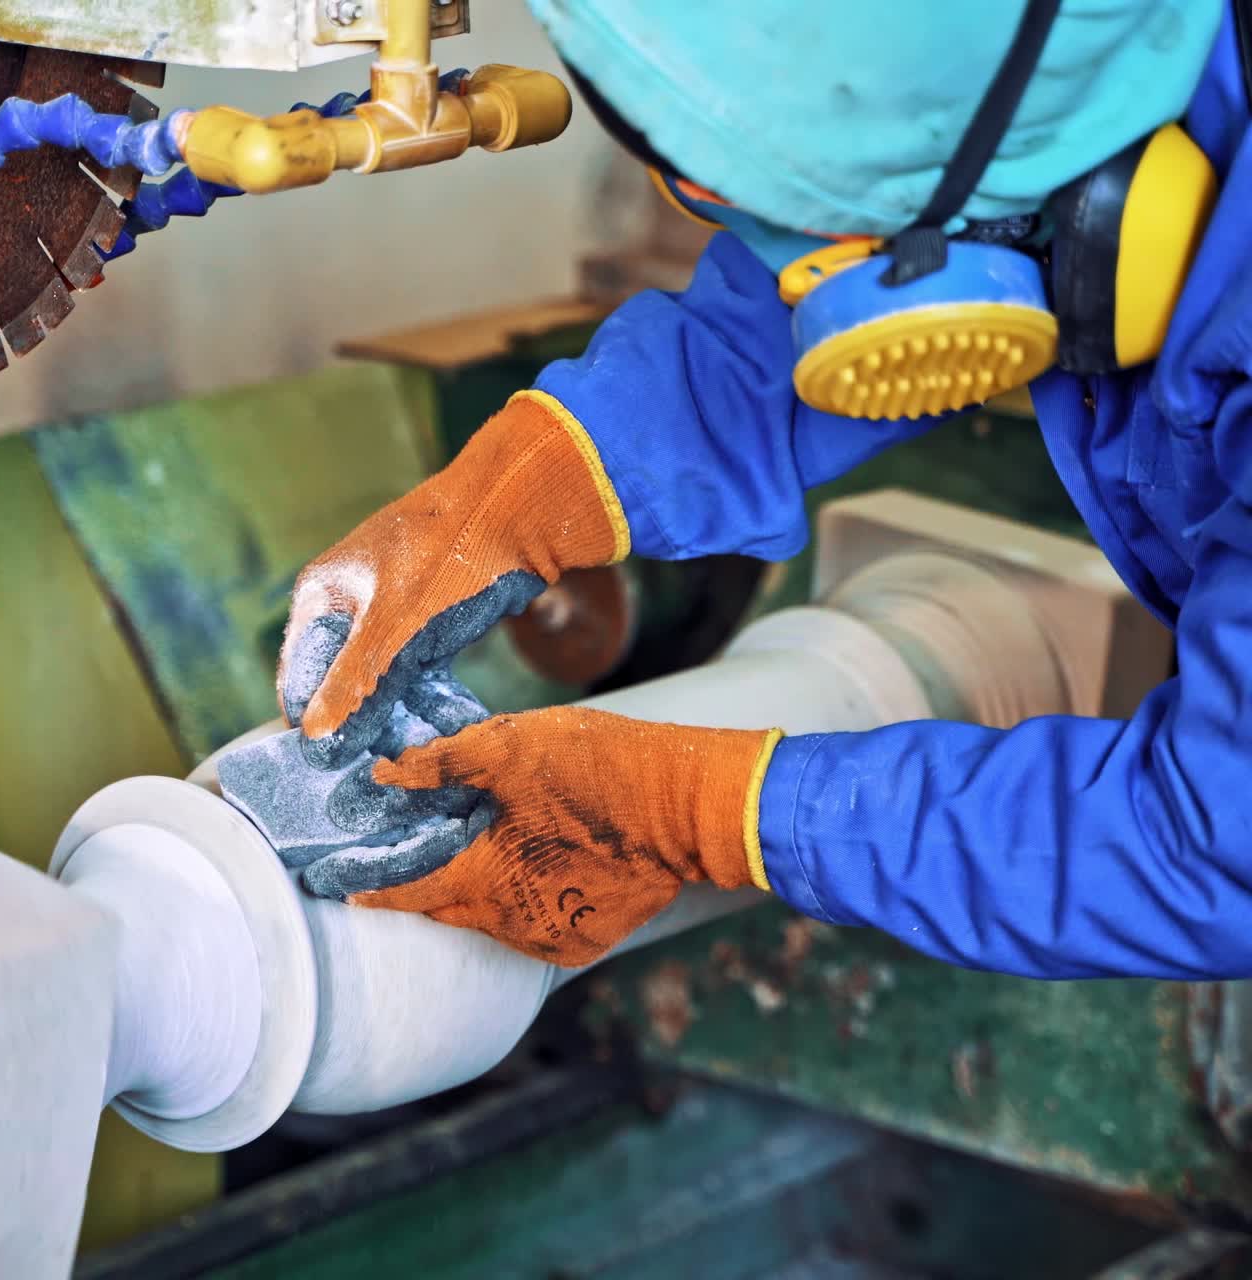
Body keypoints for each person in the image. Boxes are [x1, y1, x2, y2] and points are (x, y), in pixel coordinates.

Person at [276, 0, 1252, 979]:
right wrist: (526, 489)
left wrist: (707, 810)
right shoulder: (1045, 99)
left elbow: (1216, 840)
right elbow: (839, 269)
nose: (792, 265)